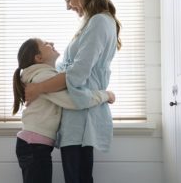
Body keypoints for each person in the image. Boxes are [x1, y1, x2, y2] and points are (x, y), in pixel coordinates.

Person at [25, 0, 122, 183]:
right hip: (76, 115)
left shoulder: (98, 22)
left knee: (77, 178)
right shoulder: (93, 22)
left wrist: (38, 88)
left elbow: (77, 75)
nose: (68, 6)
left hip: (81, 117)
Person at [13, 37, 116, 183]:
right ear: (38, 57)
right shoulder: (42, 78)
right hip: (33, 147)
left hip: (34, 145)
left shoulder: (45, 76)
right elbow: (74, 100)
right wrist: (105, 95)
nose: (52, 43)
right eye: (45, 44)